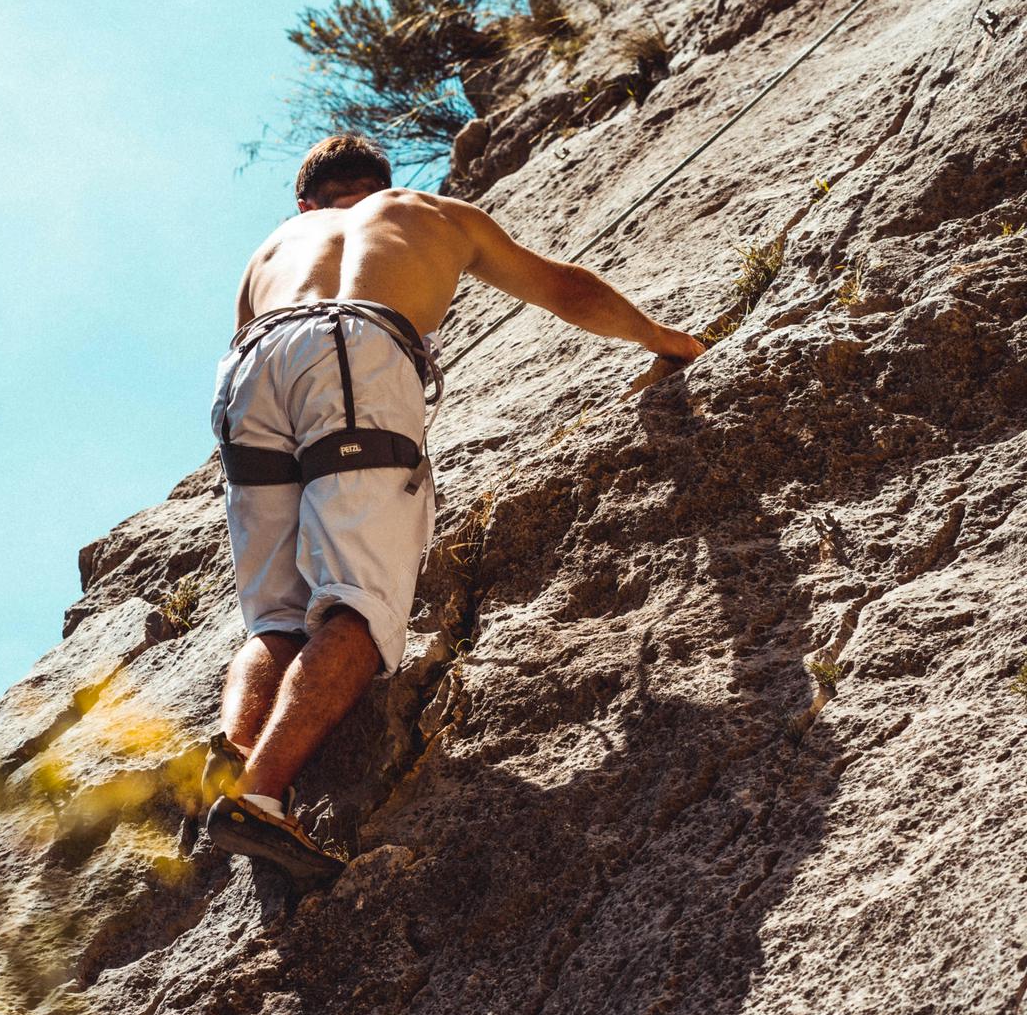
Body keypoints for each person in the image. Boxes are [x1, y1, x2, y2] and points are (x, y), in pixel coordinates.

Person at [202, 132, 704, 876]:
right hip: (352, 347)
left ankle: (236, 751)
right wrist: (663, 339)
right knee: (360, 602)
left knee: (276, 614)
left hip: (248, 372)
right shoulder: (424, 211)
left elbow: (251, 345)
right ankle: (259, 796)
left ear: (306, 204)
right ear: (382, 184)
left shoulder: (271, 249)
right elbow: (564, 289)